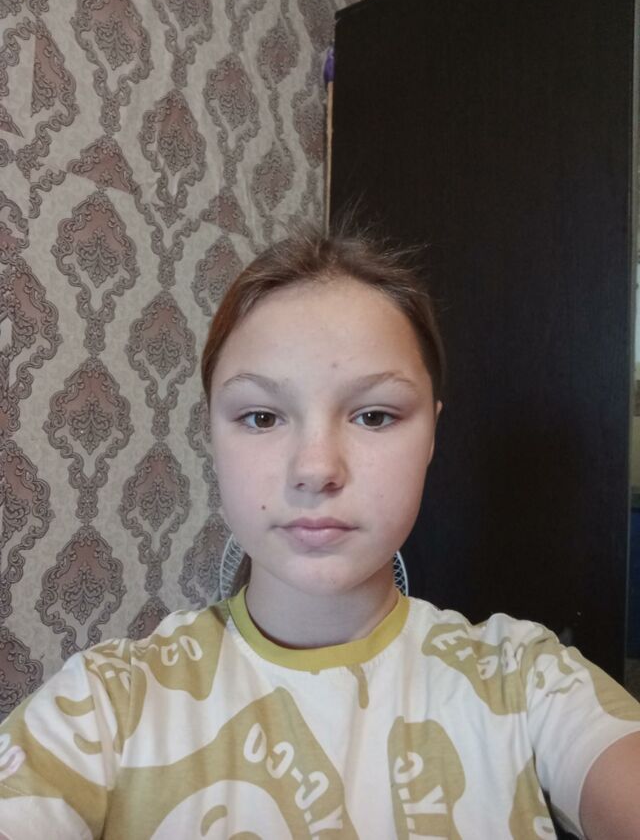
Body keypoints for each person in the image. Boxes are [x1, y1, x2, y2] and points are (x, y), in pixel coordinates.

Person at [0, 226, 639, 840]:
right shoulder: (106, 703)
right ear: (212, 434)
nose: (315, 469)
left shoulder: (527, 680)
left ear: (431, 435)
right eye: (260, 417)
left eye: (374, 415)